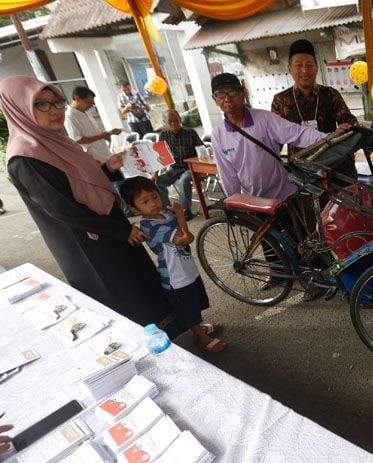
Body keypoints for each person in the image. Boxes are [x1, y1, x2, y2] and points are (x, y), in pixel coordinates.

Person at [1, 75, 180, 334]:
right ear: (18, 108)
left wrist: (108, 168)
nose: (54, 110)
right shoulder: (26, 157)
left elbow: (81, 184)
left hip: (109, 226)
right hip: (88, 242)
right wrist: (121, 230)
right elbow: (64, 209)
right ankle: (151, 348)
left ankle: (169, 334)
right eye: (41, 104)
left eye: (57, 102)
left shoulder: (58, 141)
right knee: (123, 295)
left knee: (142, 282)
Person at [210, 72, 328, 301]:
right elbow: (226, 172)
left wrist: (328, 137)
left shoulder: (263, 119)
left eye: (233, 93)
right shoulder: (218, 134)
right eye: (220, 95)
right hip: (254, 199)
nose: (227, 99)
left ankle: (312, 280)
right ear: (215, 99)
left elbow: (296, 133)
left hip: (283, 192)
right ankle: (277, 273)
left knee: (300, 238)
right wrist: (234, 201)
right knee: (266, 240)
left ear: (243, 93)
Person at [120, 176, 226, 352]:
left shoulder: (166, 214)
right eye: (145, 201)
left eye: (155, 196)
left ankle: (200, 329)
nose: (153, 203)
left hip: (186, 268)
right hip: (174, 277)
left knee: (195, 301)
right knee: (186, 308)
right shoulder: (148, 227)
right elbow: (184, 238)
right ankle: (202, 337)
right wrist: (179, 213)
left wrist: (175, 214)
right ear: (133, 207)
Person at [271, 39, 358, 156]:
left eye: (309, 65)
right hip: (301, 166)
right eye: (299, 65)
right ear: (289, 68)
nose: (304, 70)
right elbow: (276, 137)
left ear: (316, 67)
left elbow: (350, 121)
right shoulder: (281, 100)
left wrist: (346, 128)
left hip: (331, 161)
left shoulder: (330, 94)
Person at [156, 109, 203, 220]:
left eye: (176, 120)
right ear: (165, 123)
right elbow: (159, 156)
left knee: (184, 180)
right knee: (157, 182)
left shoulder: (190, 132)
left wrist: (201, 170)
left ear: (180, 120)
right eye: (170, 121)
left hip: (190, 167)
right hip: (173, 169)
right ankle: (167, 209)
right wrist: (155, 174)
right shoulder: (163, 135)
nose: (173, 123)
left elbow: (201, 150)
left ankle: (185, 210)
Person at [64, 86, 123, 164]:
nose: (91, 106)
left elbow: (91, 132)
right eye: (88, 102)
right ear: (77, 99)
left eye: (92, 103)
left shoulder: (86, 112)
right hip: (94, 157)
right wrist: (102, 136)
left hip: (104, 152)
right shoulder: (70, 116)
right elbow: (77, 139)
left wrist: (109, 133)